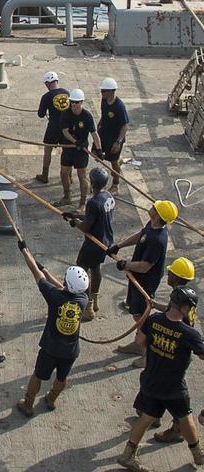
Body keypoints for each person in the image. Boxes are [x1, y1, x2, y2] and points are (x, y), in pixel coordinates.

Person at [117, 287, 204, 471]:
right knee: (185, 417)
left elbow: (140, 341)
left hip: (150, 380)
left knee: (146, 417)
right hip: (173, 387)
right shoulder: (189, 334)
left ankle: (127, 455)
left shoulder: (154, 320)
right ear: (185, 307)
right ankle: (198, 454)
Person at [16, 238, 89, 417]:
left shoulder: (54, 297)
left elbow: (35, 272)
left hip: (50, 349)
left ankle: (28, 404)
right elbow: (63, 287)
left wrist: (25, 251)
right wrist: (47, 272)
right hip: (70, 351)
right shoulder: (83, 300)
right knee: (62, 378)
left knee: (38, 375)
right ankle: (51, 399)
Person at [107, 200, 177, 367]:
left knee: (141, 317)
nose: (151, 207)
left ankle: (146, 353)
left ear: (158, 216)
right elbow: (141, 235)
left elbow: (145, 267)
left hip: (145, 282)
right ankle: (139, 343)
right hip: (136, 277)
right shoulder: (152, 226)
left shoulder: (158, 240)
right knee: (135, 312)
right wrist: (119, 245)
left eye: (155, 208)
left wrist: (126, 264)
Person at [151, 257, 197, 445]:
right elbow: (171, 309)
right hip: (178, 349)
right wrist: (155, 305)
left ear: (176, 277)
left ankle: (178, 428)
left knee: (173, 392)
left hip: (175, 352)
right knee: (158, 381)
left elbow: (172, 316)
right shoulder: (184, 298)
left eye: (170, 273)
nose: (167, 275)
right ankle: (152, 413)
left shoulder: (179, 298)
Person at [63, 165, 114, 322]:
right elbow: (96, 216)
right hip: (106, 240)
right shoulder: (108, 196)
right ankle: (94, 298)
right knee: (96, 268)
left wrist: (75, 222)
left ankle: (88, 307)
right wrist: (76, 215)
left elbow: (85, 227)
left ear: (92, 183)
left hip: (93, 243)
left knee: (82, 272)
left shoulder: (93, 202)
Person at [57, 88, 103, 208]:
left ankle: (82, 203)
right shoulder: (66, 113)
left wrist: (99, 149)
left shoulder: (87, 116)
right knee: (63, 173)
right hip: (68, 148)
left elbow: (94, 134)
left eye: (76, 102)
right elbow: (65, 131)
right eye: (71, 101)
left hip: (81, 151)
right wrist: (75, 141)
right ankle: (67, 196)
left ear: (81, 102)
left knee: (81, 176)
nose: (73, 104)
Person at [97, 77, 129, 195]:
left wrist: (118, 142)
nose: (101, 93)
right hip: (104, 133)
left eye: (103, 91)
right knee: (96, 154)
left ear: (111, 91)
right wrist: (100, 124)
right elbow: (104, 114)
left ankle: (116, 184)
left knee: (113, 162)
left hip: (115, 138)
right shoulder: (104, 100)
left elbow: (125, 126)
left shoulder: (119, 106)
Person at [36, 71, 69, 184]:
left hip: (53, 127)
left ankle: (45, 175)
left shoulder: (46, 96)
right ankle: (68, 176)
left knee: (48, 150)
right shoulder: (67, 93)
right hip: (66, 128)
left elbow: (41, 114)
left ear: (47, 83)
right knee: (66, 151)